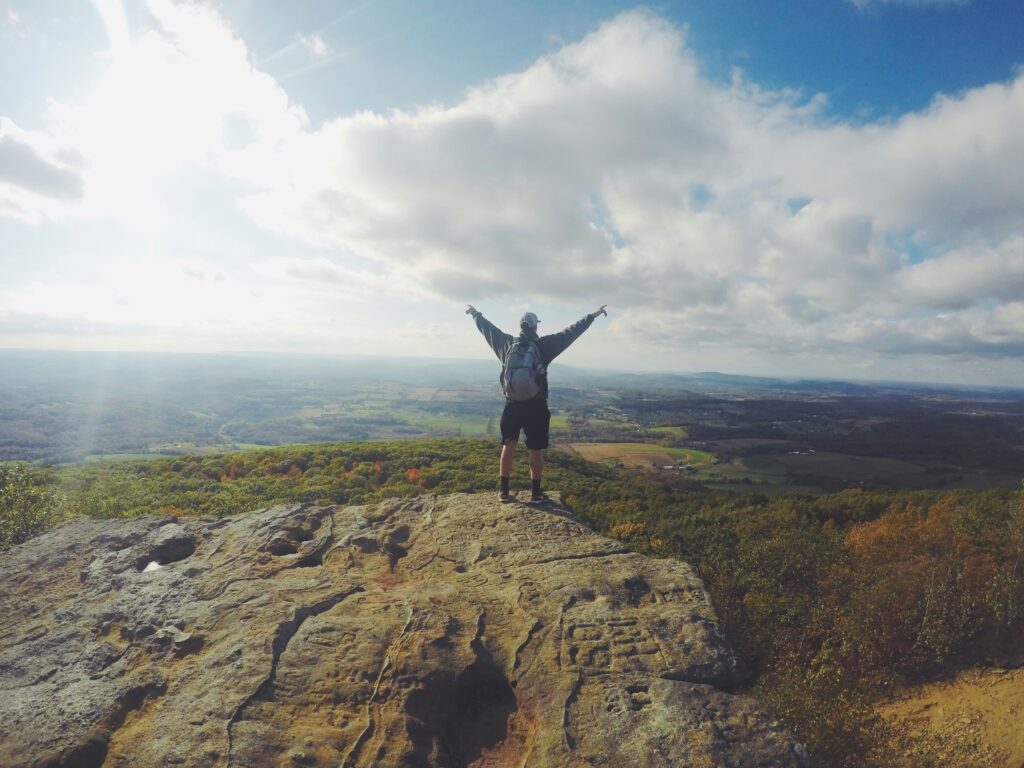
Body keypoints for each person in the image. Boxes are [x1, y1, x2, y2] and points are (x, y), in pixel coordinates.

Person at [465, 304, 608, 503]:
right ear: (535, 327)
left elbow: (486, 328)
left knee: (509, 445)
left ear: (521, 326)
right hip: (536, 405)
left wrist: (474, 313)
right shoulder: (543, 346)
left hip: (512, 403)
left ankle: (504, 491)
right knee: (535, 449)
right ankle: (535, 493)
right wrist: (591, 316)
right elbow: (570, 333)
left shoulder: (506, 344)